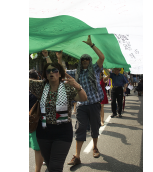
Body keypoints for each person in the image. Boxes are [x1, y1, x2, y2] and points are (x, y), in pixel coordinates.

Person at [29, 51, 87, 172]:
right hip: (43, 133)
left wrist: (77, 86)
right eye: (48, 71)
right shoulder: (40, 86)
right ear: (45, 74)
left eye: (54, 71)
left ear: (60, 74)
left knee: (55, 167)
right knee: (50, 165)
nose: (51, 73)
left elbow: (83, 98)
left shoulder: (68, 88)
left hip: (62, 133)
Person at [56, 35, 105, 166]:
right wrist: (59, 58)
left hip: (94, 105)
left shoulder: (95, 69)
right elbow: (62, 72)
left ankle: (95, 147)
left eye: (86, 59)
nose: (84, 60)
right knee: (80, 129)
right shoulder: (76, 73)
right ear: (80, 61)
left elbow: (102, 57)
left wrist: (92, 45)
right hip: (82, 106)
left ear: (89, 61)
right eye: (82, 59)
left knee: (95, 128)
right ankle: (77, 156)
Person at [29, 69, 44, 172]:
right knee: (38, 149)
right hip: (35, 123)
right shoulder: (40, 89)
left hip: (34, 123)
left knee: (38, 149)